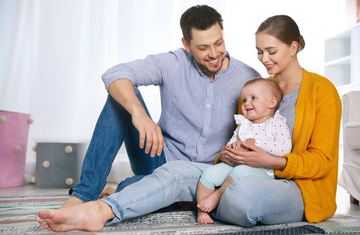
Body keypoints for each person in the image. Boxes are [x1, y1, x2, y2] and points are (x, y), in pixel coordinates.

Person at [38, 14, 342, 232]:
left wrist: (267, 160)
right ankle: (89, 202)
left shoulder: (278, 84)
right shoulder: (255, 88)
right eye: (260, 52)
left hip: (260, 176)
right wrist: (141, 116)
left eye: (271, 51)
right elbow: (240, 134)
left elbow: (320, 160)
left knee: (234, 194)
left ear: (294, 46)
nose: (264, 59)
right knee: (126, 108)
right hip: (183, 162)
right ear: (186, 44)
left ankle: (144, 193)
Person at [61, 4, 260, 209]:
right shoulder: (173, 63)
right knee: (119, 97)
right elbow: (115, 74)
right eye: (203, 48)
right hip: (159, 159)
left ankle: (126, 190)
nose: (213, 53)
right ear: (187, 45)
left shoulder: (248, 78)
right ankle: (84, 195)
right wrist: (139, 115)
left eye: (218, 43)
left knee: (166, 195)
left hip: (205, 175)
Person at [196, 78, 292, 224]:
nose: (246, 103)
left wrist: (257, 144)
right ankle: (202, 211)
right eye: (244, 99)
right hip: (235, 164)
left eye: (253, 98)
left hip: (264, 171)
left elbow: (284, 148)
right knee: (209, 174)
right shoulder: (244, 125)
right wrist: (231, 148)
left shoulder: (276, 124)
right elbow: (230, 143)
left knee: (239, 173)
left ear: (271, 103)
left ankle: (217, 196)